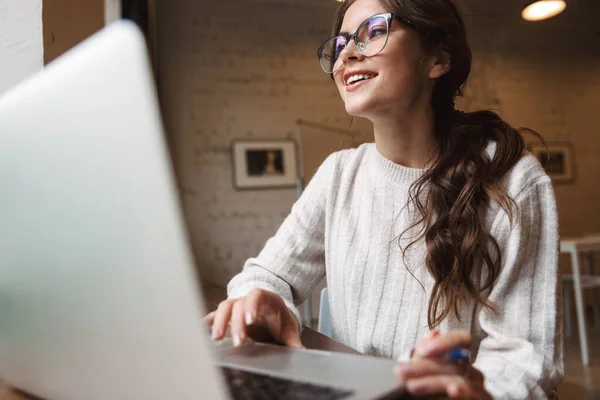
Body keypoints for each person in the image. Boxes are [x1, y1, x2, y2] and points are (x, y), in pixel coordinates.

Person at [206, 0, 563, 398]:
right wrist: (262, 302)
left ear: (437, 58)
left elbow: (526, 357)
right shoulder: (340, 174)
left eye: (374, 31)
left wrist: (483, 392)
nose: (347, 53)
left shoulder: (513, 181)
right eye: (340, 43)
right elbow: (265, 275)